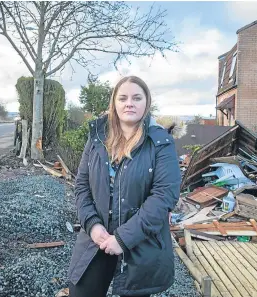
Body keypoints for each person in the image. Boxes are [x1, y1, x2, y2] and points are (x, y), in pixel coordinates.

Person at [68, 76, 181, 297]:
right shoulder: (97, 138)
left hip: (139, 240)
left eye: (137, 98)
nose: (129, 103)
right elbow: (82, 186)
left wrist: (122, 239)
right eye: (123, 98)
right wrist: (92, 225)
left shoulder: (160, 142)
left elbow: (164, 196)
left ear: (146, 104)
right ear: (115, 103)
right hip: (97, 238)